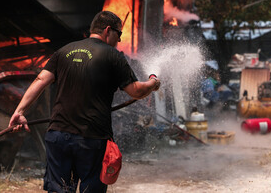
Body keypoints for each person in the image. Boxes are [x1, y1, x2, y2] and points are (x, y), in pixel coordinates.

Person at [8, 11, 161, 193]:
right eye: (119, 34)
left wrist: (20, 112)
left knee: (61, 190)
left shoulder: (64, 51)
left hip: (58, 136)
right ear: (108, 30)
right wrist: (153, 82)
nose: (119, 41)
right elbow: (136, 91)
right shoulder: (113, 56)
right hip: (92, 139)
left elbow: (40, 80)